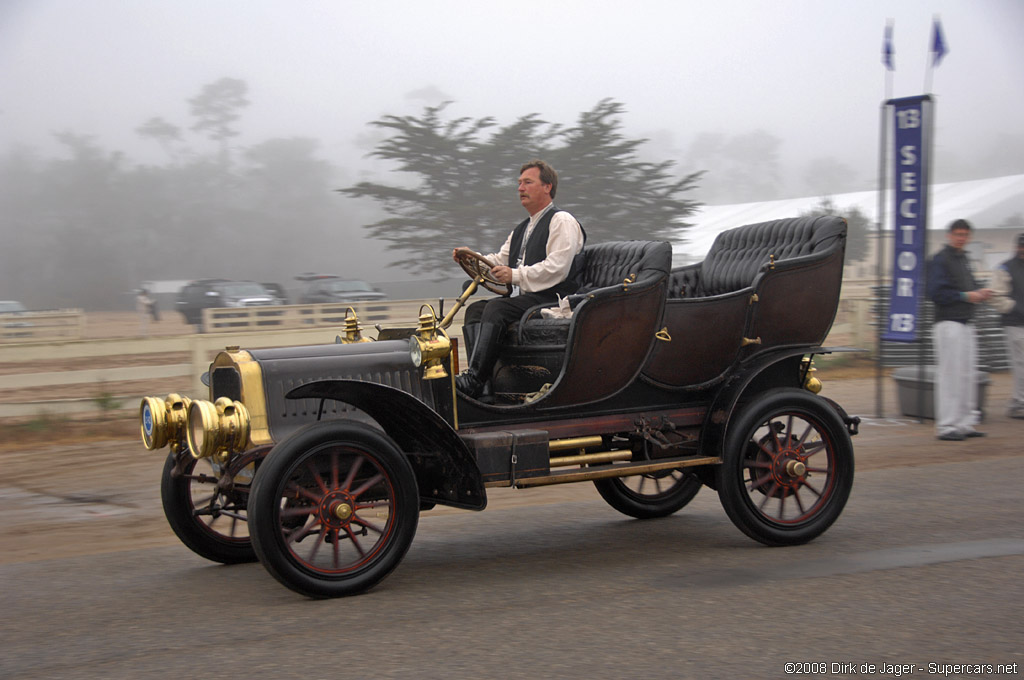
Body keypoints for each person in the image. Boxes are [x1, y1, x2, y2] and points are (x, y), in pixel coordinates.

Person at [451, 160, 586, 399]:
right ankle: (483, 385)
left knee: (496, 308)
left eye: (528, 182)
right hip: (529, 298)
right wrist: (471, 258)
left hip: (554, 300)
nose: (520, 188)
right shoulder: (522, 228)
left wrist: (515, 275)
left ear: (547, 187)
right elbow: (499, 259)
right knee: (475, 310)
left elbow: (558, 268)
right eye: (519, 183)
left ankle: (473, 379)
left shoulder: (562, 221)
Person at [925, 219, 993, 440]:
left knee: (967, 374)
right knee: (950, 374)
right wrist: (966, 296)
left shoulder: (964, 259)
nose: (961, 238)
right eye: (958, 234)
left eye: (965, 235)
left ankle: (965, 423)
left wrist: (980, 292)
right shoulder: (940, 260)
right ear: (949, 235)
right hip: (948, 322)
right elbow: (935, 292)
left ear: (969, 237)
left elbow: (969, 286)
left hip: (966, 321)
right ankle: (947, 425)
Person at [991, 233, 1024, 419]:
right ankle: (1019, 404)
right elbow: (995, 296)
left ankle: (1018, 402)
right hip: (1015, 323)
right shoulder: (1005, 268)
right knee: (1020, 365)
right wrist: (1014, 308)